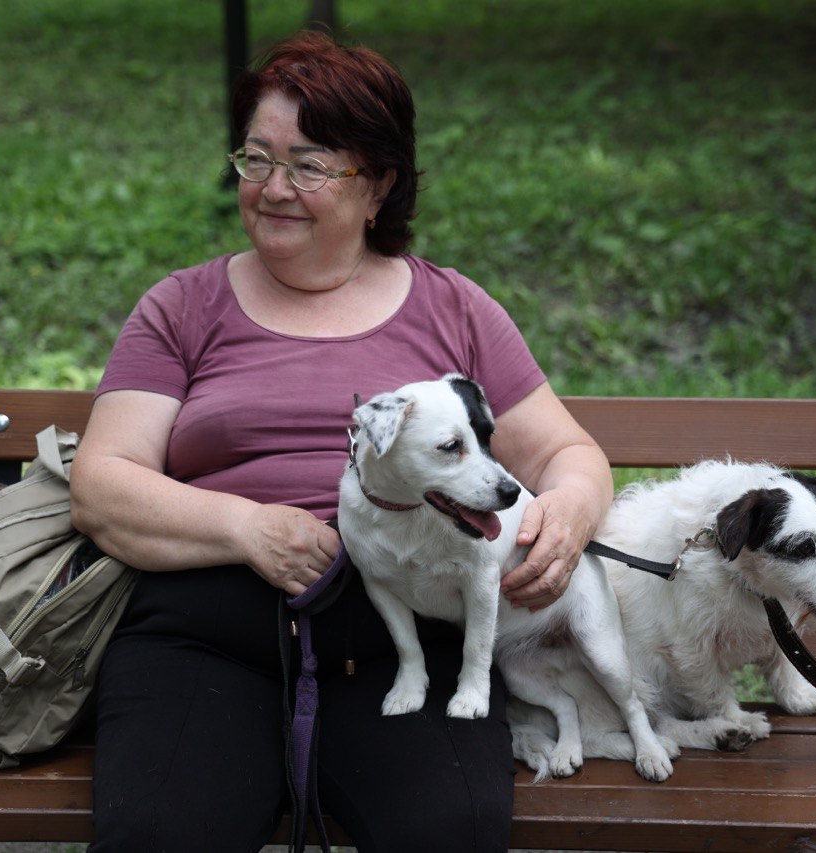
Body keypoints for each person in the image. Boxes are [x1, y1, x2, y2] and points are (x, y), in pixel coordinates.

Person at [70, 30, 613, 853]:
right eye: (257, 159)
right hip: (204, 638)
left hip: (406, 645)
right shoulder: (181, 307)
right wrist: (245, 527)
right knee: (157, 834)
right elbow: (103, 483)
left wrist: (569, 512)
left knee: (451, 830)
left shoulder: (453, 309)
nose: (274, 188)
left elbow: (572, 456)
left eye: (310, 165)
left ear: (379, 185)